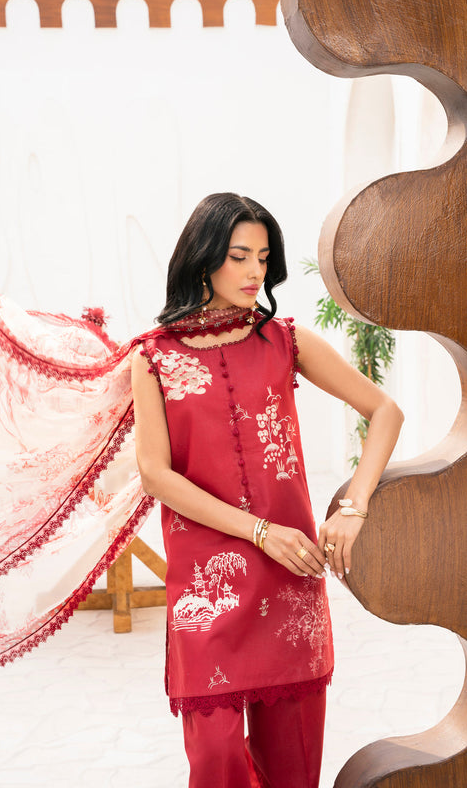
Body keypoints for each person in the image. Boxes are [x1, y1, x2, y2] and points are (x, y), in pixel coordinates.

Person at [130, 192, 404, 788]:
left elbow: (384, 410)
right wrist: (258, 531)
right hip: (206, 586)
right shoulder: (154, 357)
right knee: (215, 759)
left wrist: (353, 506)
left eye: (262, 257)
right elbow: (156, 474)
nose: (255, 271)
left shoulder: (285, 340)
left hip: (290, 577)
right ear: (203, 257)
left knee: (293, 766)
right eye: (239, 256)